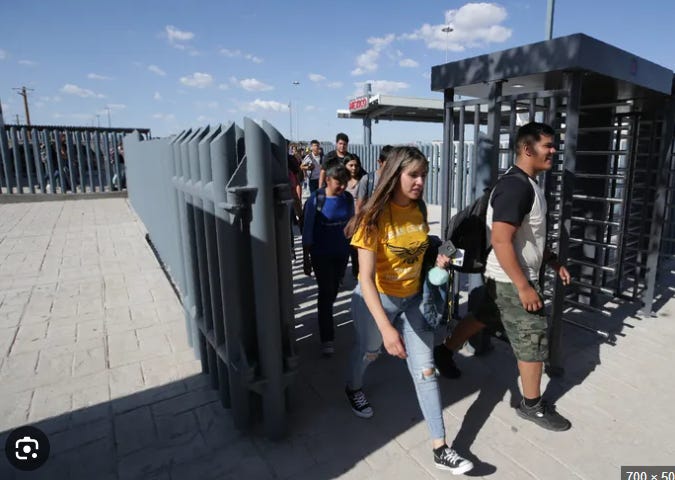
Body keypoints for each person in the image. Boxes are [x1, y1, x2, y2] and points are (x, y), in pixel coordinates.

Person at [343, 146, 474, 474]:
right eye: (413, 175)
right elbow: (365, 279)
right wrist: (386, 329)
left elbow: (423, 243)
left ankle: (440, 448)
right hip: (376, 301)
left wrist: (442, 257)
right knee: (369, 351)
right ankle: (353, 388)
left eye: (423, 175)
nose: (420, 182)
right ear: (394, 175)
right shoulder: (373, 218)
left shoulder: (418, 208)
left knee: (426, 370)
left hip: (414, 300)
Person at [435, 122, 572, 432]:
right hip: (513, 280)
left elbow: (528, 236)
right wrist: (524, 286)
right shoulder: (516, 188)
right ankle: (532, 406)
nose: (554, 151)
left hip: (505, 278)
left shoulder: (524, 184)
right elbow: (500, 240)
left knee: (484, 316)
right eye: (548, 145)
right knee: (532, 338)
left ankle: (444, 351)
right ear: (526, 149)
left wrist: (551, 260)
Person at [302, 164, 354, 356]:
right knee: (326, 292)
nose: (343, 187)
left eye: (345, 183)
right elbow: (307, 229)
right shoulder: (316, 199)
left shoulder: (347, 198)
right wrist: (306, 258)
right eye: (339, 183)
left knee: (333, 290)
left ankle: (326, 316)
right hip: (321, 254)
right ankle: (327, 337)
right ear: (328, 180)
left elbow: (351, 224)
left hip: (341, 254)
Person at [343, 153, 364, 277]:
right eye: (350, 165)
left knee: (356, 247)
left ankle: (357, 272)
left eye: (356, 165)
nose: (354, 168)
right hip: (343, 218)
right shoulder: (341, 181)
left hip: (358, 218)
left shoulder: (363, 181)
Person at [355, 145, 392, 214]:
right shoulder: (367, 179)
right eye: (388, 164)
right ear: (380, 162)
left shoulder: (395, 180)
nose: (391, 167)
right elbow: (359, 206)